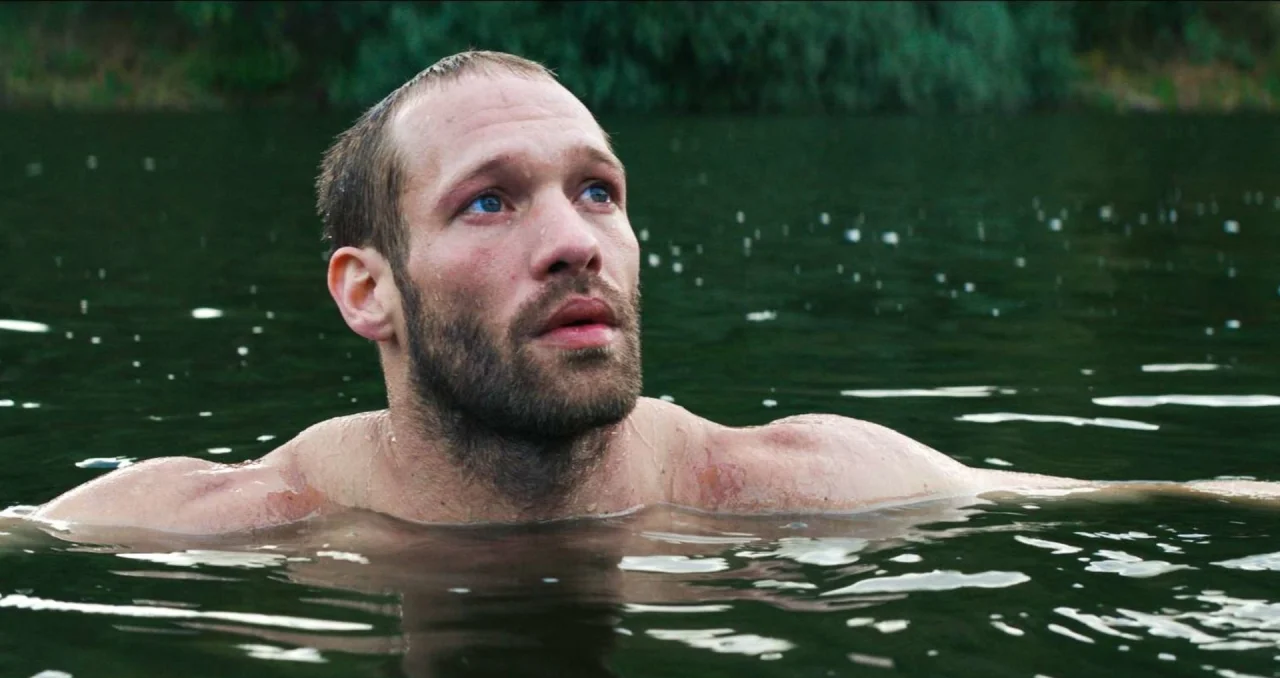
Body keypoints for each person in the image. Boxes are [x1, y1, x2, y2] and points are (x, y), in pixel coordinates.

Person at [32, 51, 1279, 535]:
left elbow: (1145, 500)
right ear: (368, 293)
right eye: (488, 202)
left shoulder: (801, 486)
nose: (573, 243)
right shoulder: (217, 527)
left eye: (597, 191)